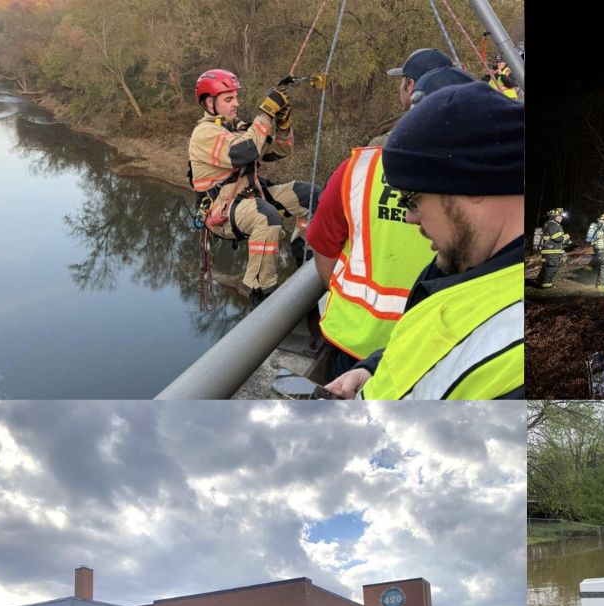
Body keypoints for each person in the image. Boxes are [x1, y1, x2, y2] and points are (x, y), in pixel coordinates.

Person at [324, 82, 524, 400]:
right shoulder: (468, 262)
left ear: (471, 186)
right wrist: (373, 370)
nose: (409, 218)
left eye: (413, 201)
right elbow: (429, 353)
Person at [306, 65, 475, 382]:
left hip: (358, 343)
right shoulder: (484, 184)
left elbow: (323, 247)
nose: (412, 216)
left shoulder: (359, 168)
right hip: (436, 349)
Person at [188, 69, 320, 308]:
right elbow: (245, 152)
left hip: (250, 196)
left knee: (310, 196)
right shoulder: (204, 133)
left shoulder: (234, 127)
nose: (236, 103)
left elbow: (279, 150)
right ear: (209, 103)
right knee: (265, 217)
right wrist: (266, 112)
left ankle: (307, 254)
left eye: (236, 97)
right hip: (222, 209)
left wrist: (283, 123)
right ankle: (261, 292)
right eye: (228, 99)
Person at [368, 48, 453, 147]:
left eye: (403, 80)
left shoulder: (386, 142)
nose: (400, 88)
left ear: (410, 85)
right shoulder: (463, 131)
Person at [538, 208, 571, 288]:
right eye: (559, 216)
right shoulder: (552, 224)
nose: (561, 218)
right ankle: (546, 285)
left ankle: (540, 281)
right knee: (551, 268)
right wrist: (566, 236)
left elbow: (557, 238)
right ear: (554, 216)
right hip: (551, 251)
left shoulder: (552, 224)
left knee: (546, 267)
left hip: (550, 250)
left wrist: (566, 241)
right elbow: (557, 238)